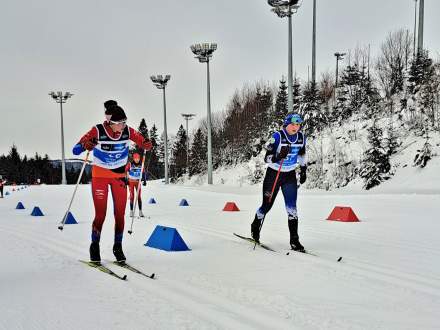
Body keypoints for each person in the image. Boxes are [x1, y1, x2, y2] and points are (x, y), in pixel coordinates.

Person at [72, 103, 152, 263]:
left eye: (124, 122)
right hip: (100, 176)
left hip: (119, 176)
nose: (123, 126)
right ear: (110, 122)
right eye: (120, 123)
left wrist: (146, 144)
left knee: (120, 214)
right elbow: (75, 149)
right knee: (101, 214)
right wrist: (85, 145)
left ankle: (118, 246)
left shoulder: (127, 131)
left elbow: (142, 141)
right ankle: (94, 246)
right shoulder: (97, 130)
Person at [250, 113, 307, 252]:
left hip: (289, 175)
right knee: (266, 206)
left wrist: (304, 168)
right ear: (286, 124)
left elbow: (302, 154)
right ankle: (255, 226)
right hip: (274, 174)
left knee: (292, 208)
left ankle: (295, 241)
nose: (296, 127)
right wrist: (278, 156)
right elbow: (266, 159)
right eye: (293, 124)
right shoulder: (277, 137)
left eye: (298, 124)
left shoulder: (301, 138)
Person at [125, 152, 146, 218]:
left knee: (139, 196)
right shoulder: (130, 164)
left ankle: (140, 211)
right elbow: (126, 171)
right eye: (135, 158)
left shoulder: (141, 164)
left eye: (138, 158)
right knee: (132, 196)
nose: (137, 160)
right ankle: (131, 211)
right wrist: (126, 180)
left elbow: (143, 173)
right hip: (131, 182)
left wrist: (144, 180)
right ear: (133, 158)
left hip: (138, 182)